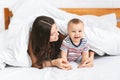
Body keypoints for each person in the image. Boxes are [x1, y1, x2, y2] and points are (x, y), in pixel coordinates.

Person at [28, 16, 94, 70]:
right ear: (43, 37)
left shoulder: (60, 35)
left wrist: (91, 56)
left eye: (56, 29)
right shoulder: (33, 43)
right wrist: (53, 63)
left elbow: (84, 45)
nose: (57, 34)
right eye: (52, 34)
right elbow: (35, 64)